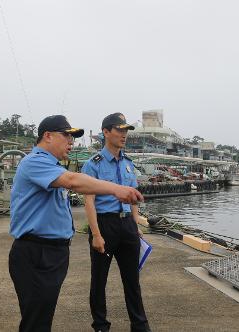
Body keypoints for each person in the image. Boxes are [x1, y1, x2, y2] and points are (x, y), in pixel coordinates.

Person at [8, 115, 144, 332]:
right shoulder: (34, 162)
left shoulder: (53, 165)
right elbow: (73, 182)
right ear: (48, 136)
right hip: (36, 252)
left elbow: (79, 186)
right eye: (67, 136)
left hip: (52, 252)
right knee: (36, 321)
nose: (71, 142)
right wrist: (117, 189)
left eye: (73, 138)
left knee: (42, 317)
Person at [82, 113, 151, 332]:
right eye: (119, 130)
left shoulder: (129, 164)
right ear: (105, 132)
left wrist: (136, 224)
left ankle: (139, 325)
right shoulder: (93, 165)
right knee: (99, 280)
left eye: (126, 130)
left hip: (127, 226)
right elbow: (89, 202)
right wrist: (96, 234)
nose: (124, 135)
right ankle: (101, 325)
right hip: (105, 225)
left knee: (132, 280)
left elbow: (132, 199)